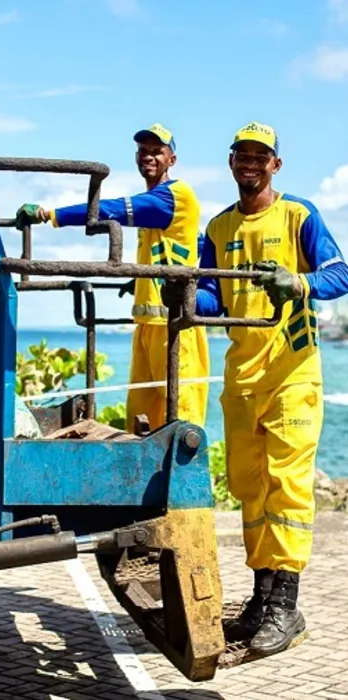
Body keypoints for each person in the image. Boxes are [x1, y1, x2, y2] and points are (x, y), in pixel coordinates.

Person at [193, 121, 348, 655]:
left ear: (275, 164)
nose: (251, 163)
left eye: (262, 155)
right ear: (231, 161)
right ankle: (261, 597)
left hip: (292, 375)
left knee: (286, 486)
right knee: (249, 487)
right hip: (242, 377)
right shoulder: (216, 228)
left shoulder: (299, 215)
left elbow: (340, 271)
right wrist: (185, 300)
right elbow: (212, 296)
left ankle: (287, 606)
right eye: (243, 154)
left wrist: (298, 281)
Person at [14, 123, 210, 433]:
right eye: (143, 152)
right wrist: (141, 281)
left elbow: (114, 210)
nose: (148, 157)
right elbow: (189, 244)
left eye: (156, 152)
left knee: (181, 421)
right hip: (148, 326)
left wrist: (50, 214)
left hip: (175, 328)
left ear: (171, 159)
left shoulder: (174, 196)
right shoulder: (157, 205)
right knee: (142, 421)